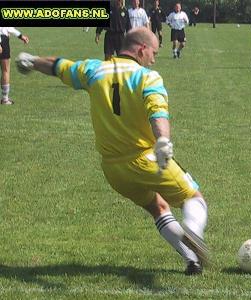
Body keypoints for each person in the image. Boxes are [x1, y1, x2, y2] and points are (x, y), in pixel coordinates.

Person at [15, 27, 209, 275]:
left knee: (158, 208)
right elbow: (157, 111)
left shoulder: (94, 70)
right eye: (153, 53)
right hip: (145, 159)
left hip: (113, 169)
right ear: (141, 49)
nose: (153, 58)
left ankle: (192, 260)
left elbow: (58, 66)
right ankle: (192, 231)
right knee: (194, 199)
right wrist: (162, 141)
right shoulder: (148, 77)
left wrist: (31, 61)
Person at [0, 27, 29, 105]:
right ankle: (5, 99)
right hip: (2, 39)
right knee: (5, 70)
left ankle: (5, 99)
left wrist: (20, 36)